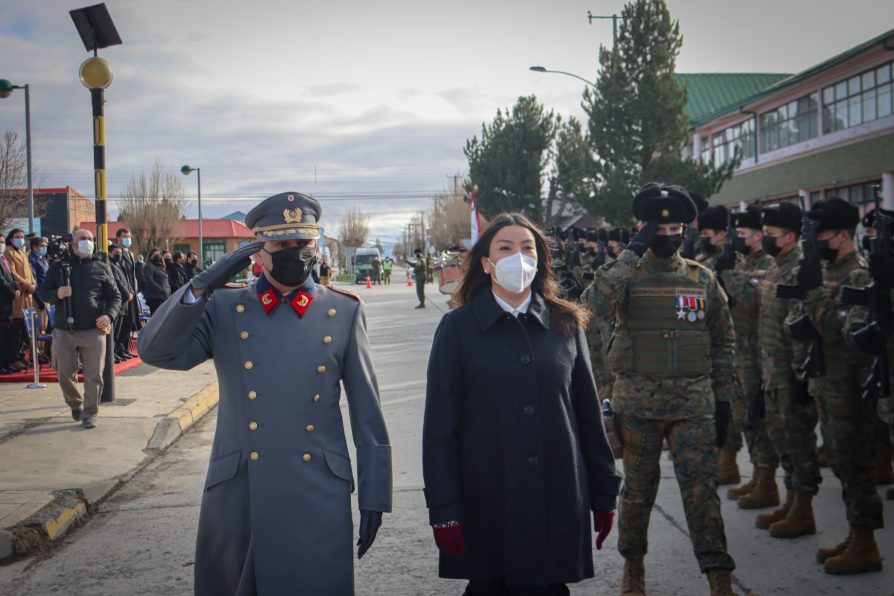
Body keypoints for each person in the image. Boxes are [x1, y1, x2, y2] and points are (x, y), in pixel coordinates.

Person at [138, 191, 392, 595]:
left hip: (317, 492)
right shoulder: (224, 308)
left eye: (303, 243)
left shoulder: (343, 311)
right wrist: (201, 285)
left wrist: (375, 493)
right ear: (259, 250)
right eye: (281, 244)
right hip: (242, 494)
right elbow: (154, 350)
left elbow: (368, 414)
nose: (295, 253)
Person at [423, 212, 620, 596]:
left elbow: (587, 417)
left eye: (528, 248)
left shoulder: (566, 324)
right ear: (487, 263)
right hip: (486, 498)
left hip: (558, 494)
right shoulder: (458, 329)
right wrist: (444, 508)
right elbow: (439, 429)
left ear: (539, 259)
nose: (519, 257)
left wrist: (604, 494)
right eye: (506, 248)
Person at [589, 183, 737, 596]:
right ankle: (633, 567)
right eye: (659, 227)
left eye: (676, 229)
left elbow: (724, 341)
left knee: (702, 495)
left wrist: (723, 398)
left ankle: (718, 577)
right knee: (636, 494)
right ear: (642, 227)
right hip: (637, 406)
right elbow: (589, 307)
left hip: (694, 406)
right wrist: (628, 254)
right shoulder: (624, 275)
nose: (669, 236)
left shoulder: (701, 279)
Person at [786, 198, 882, 574]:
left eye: (822, 235)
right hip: (828, 384)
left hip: (851, 387)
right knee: (841, 463)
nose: (818, 243)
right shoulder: (826, 272)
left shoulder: (858, 276)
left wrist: (811, 296)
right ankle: (856, 534)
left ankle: (867, 542)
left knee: (855, 464)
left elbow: (838, 331)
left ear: (843, 235)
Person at [754, 201, 821, 539]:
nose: (765, 239)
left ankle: (804, 508)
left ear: (791, 236)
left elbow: (804, 327)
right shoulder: (775, 266)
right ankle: (792, 499)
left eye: (771, 234)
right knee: (781, 439)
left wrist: (801, 376)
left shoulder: (800, 270)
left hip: (792, 373)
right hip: (771, 372)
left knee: (799, 442)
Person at [716, 205, 778, 506]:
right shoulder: (741, 262)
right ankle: (757, 476)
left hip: (757, 352)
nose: (737, 239)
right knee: (744, 416)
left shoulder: (767, 264)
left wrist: (728, 273)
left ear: (757, 236)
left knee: (756, 416)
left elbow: (752, 300)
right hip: (739, 351)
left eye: (741, 234)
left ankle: (767, 480)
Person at [39, 229, 121, 429]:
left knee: (94, 375)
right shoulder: (58, 267)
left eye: (90, 239)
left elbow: (115, 296)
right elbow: (43, 293)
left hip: (93, 330)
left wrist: (109, 315)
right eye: (83, 239)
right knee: (64, 371)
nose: (88, 242)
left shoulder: (101, 267)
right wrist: (57, 293)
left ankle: (90, 413)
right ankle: (75, 403)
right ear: (73, 244)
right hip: (64, 330)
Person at [4, 228, 36, 370]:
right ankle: (13, 358)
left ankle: (20, 355)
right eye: (17, 236)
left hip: (27, 296)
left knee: (23, 329)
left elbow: (29, 271)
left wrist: (33, 284)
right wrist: (26, 284)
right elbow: (12, 273)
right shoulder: (8, 253)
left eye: (22, 236)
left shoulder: (23, 253)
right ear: (10, 239)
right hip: (19, 296)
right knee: (15, 330)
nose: (21, 239)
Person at [107, 243, 136, 363]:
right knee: (114, 332)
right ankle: (112, 353)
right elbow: (117, 282)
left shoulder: (119, 265)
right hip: (118, 302)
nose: (119, 255)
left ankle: (119, 350)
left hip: (125, 302)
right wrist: (127, 294)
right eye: (116, 253)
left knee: (120, 331)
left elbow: (126, 281)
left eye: (120, 253)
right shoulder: (110, 266)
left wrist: (131, 292)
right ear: (109, 253)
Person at [114, 228, 139, 358]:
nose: (128, 239)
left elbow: (132, 273)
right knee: (121, 322)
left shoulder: (129, 253)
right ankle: (117, 349)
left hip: (131, 292)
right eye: (125, 236)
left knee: (129, 321)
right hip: (123, 294)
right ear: (118, 238)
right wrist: (126, 292)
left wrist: (134, 288)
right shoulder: (116, 252)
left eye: (129, 236)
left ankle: (123, 348)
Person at [0, 233, 21, 374]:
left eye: (2, 241)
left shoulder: (3, 259)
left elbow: (11, 276)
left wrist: (17, 288)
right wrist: (13, 292)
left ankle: (6, 362)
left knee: (7, 336)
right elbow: (1, 281)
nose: (1, 244)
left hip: (8, 304)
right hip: (2, 302)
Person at [142, 248, 171, 315]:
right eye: (155, 255)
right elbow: (149, 281)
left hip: (164, 296)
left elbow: (166, 281)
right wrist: (161, 289)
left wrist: (168, 289)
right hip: (155, 298)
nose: (157, 256)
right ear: (150, 256)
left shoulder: (161, 267)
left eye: (158, 254)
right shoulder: (148, 266)